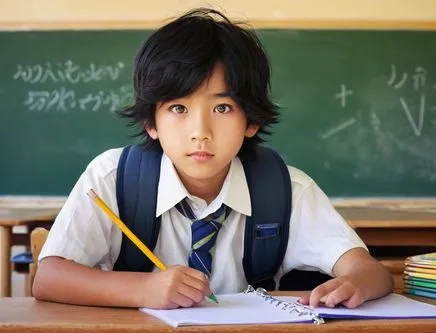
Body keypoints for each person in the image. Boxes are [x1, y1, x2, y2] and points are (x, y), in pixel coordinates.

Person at [33, 7, 393, 310]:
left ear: (250, 120)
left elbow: (371, 272)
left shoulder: (287, 189)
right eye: (178, 108)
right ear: (150, 122)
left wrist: (356, 284)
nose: (200, 131)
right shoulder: (112, 177)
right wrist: (145, 289)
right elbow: (49, 278)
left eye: (222, 107)